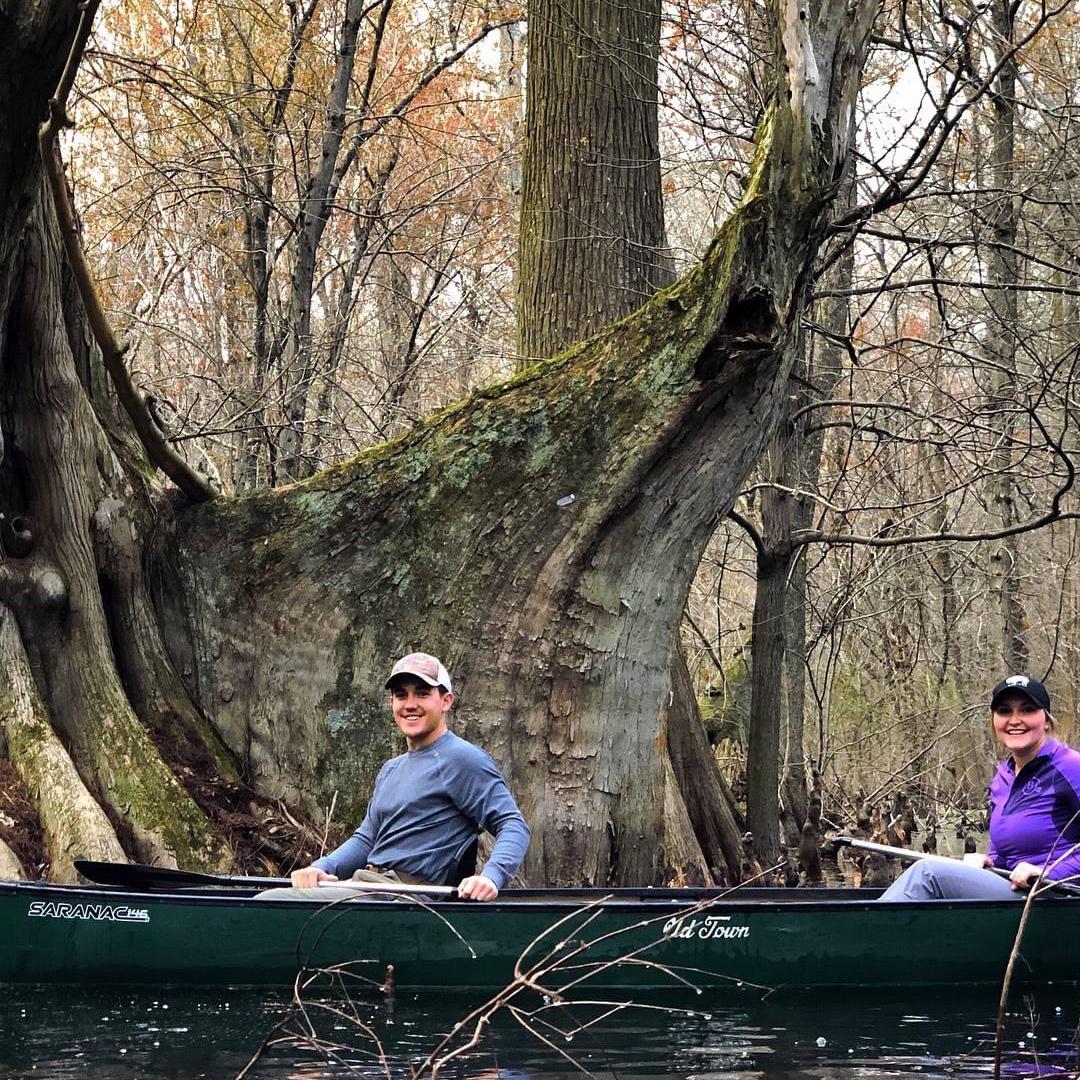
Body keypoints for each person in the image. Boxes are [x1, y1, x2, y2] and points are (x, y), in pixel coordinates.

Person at [282, 652, 530, 901]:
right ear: (392, 704)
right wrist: (321, 868)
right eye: (401, 695)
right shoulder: (390, 769)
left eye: (422, 693)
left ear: (446, 701)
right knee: (266, 898)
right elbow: (367, 839)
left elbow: (513, 824)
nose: (410, 704)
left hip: (405, 899)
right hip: (366, 885)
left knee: (275, 904)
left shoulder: (462, 759)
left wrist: (491, 876)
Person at [879, 674, 1080, 901]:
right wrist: (988, 863)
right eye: (1005, 711)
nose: (1015, 719)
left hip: (1057, 895)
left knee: (927, 874)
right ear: (994, 722)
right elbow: (1005, 854)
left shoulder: (1070, 766)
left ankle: (865, 932)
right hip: (1015, 891)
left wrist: (1048, 872)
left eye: (1027, 709)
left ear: (1046, 719)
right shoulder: (1002, 778)